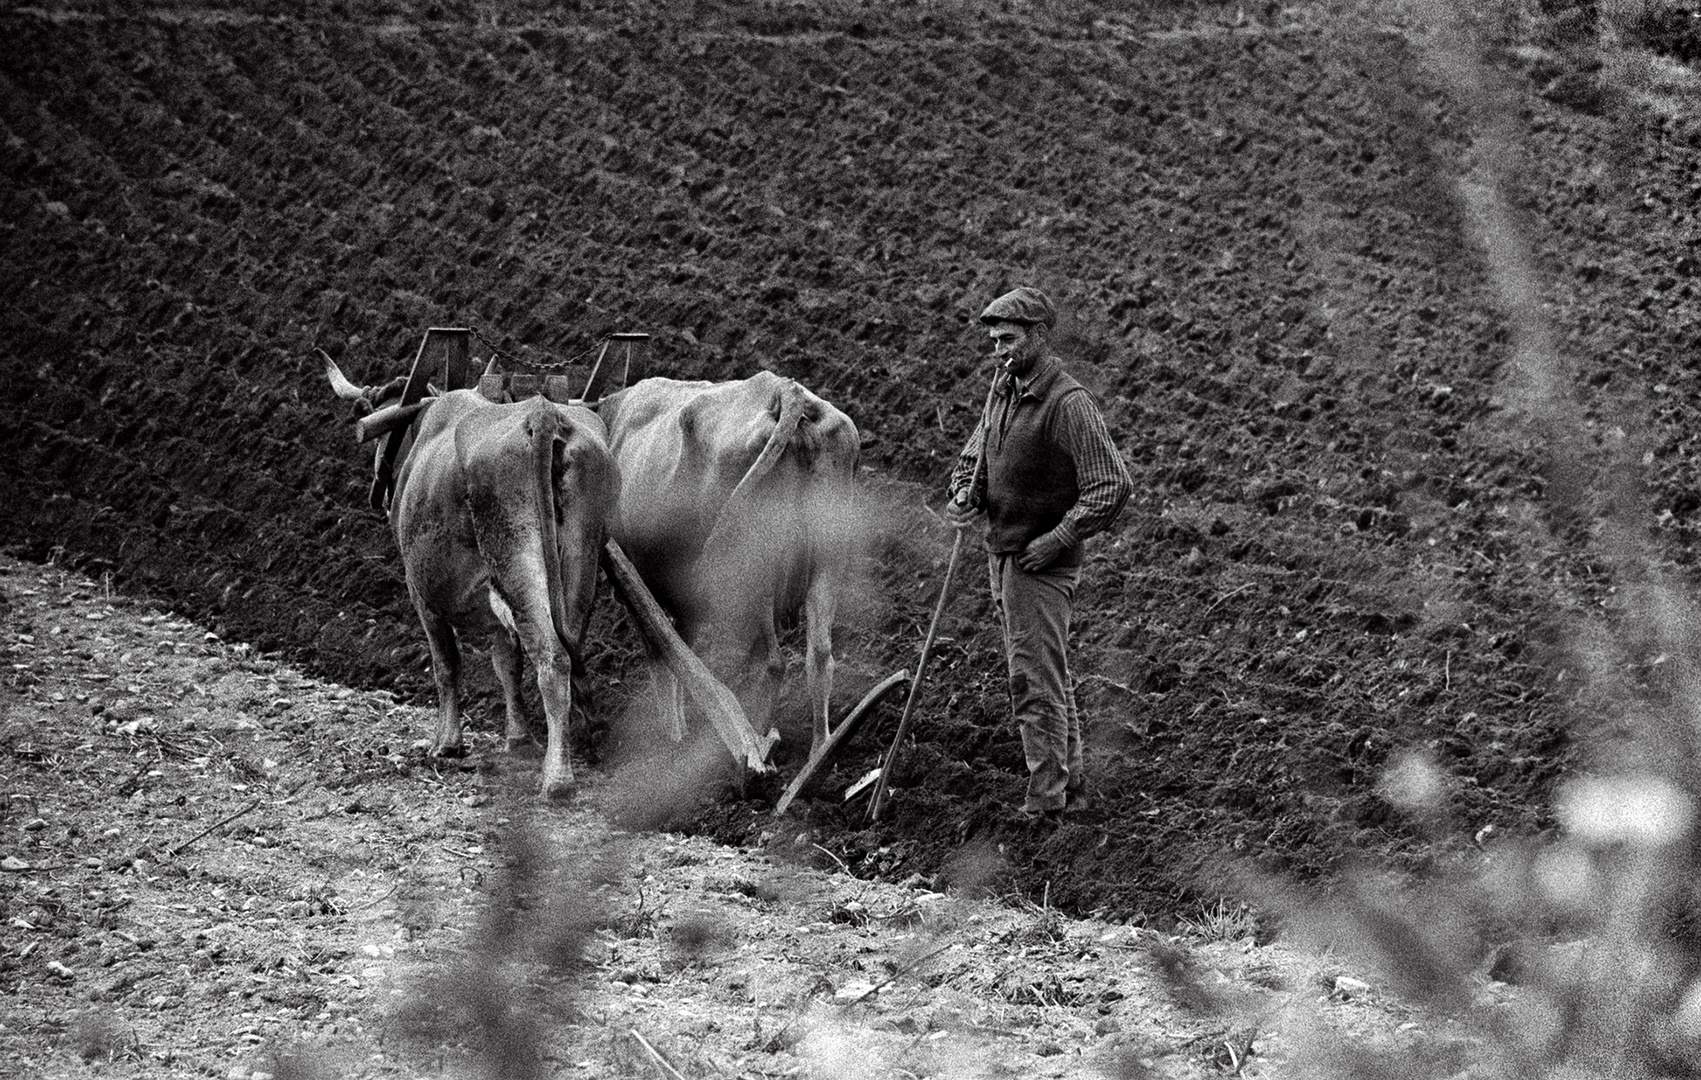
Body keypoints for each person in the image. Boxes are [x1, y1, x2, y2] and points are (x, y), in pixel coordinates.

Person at [945, 286, 1132, 825]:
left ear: (1040, 337)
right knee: (1046, 672)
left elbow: (1111, 485)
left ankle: (1046, 799)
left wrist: (1056, 539)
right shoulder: (1004, 390)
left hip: (1041, 564)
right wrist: (965, 493)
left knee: (1032, 679)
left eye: (1008, 340)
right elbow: (975, 455)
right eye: (994, 342)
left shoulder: (1067, 403)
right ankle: (1067, 784)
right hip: (1003, 553)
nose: (999, 350)